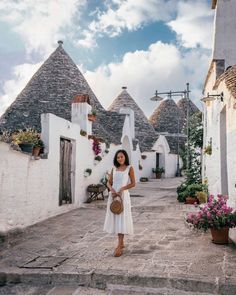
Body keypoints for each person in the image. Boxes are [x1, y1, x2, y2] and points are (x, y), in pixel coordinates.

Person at [103, 149, 135, 257]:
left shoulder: (129, 168)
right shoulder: (114, 169)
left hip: (123, 196)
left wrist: (123, 188)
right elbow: (109, 182)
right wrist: (111, 189)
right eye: (118, 157)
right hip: (113, 196)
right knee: (116, 218)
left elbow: (133, 183)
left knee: (122, 218)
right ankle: (121, 243)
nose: (120, 159)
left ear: (125, 157)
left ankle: (119, 245)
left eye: (121, 156)